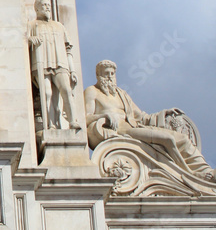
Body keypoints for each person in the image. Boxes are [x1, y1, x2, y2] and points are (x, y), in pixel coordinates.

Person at [85, 60, 214, 179]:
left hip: (134, 127)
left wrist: (164, 113)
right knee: (167, 140)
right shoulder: (92, 92)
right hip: (120, 130)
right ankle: (189, 175)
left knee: (182, 139)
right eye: (106, 73)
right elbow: (85, 118)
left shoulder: (121, 93)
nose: (109, 77)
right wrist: (103, 116)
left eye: (112, 74)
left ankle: (206, 171)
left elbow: (141, 117)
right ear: (98, 75)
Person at [28, 0, 81, 130]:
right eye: (43, 5)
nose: (47, 7)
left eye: (48, 5)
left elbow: (68, 49)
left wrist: (73, 70)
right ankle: (50, 124)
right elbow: (25, 40)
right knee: (46, 93)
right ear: (37, 9)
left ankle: (72, 121)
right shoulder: (32, 25)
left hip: (60, 63)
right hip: (41, 63)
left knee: (66, 91)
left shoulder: (59, 26)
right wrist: (31, 39)